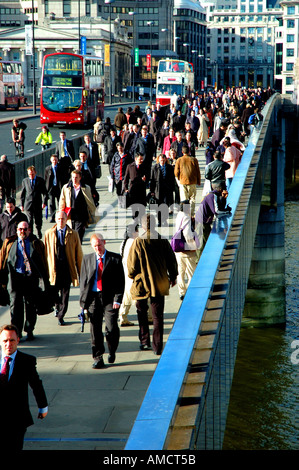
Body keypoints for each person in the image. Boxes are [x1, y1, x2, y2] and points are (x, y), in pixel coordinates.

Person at [127, 214, 178, 355]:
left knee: (141, 313)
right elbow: (171, 261)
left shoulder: (138, 242)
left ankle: (144, 342)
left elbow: (131, 266)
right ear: (155, 225)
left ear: (143, 226)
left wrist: (133, 276)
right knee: (157, 316)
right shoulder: (162, 240)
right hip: (159, 284)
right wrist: (173, 277)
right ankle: (157, 346)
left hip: (141, 284)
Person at [79, 233, 125, 368]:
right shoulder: (87, 259)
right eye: (95, 246)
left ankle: (112, 349)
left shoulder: (115, 258)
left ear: (104, 242)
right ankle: (98, 357)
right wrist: (83, 304)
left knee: (111, 328)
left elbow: (120, 281)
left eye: (99, 245)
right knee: (95, 329)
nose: (97, 248)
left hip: (110, 299)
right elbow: (83, 282)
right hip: (93, 298)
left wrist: (118, 299)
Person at [0, 323, 48, 451]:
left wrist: (42, 406)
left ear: (18, 340)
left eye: (12, 340)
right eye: (5, 341)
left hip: (17, 419)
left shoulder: (27, 361)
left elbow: (36, 385)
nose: (8, 344)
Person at [0, 221, 49, 341]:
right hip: (15, 278)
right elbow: (2, 261)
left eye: (25, 229)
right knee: (15, 305)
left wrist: (45, 279)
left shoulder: (36, 243)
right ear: (17, 230)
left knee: (30, 305)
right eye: (20, 229)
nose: (23, 231)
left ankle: (29, 329)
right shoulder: (10, 243)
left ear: (29, 230)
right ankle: (17, 332)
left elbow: (43, 261)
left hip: (30, 278)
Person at [44, 211, 83, 326]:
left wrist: (81, 271)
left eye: (63, 219)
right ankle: (57, 306)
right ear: (56, 220)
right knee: (54, 293)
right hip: (54, 268)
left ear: (66, 219)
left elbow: (79, 254)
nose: (61, 221)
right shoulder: (49, 233)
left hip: (66, 267)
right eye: (59, 219)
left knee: (65, 294)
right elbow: (45, 252)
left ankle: (61, 315)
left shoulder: (74, 234)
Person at [59, 169, 98, 243]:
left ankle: (78, 251)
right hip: (70, 216)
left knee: (78, 236)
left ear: (80, 178)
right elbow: (62, 201)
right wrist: (61, 212)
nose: (74, 179)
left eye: (76, 177)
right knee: (70, 236)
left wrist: (93, 214)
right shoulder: (66, 188)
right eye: (73, 177)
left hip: (81, 217)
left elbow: (90, 202)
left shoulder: (86, 188)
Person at [195, 182, 231, 259]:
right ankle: (198, 261)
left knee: (207, 240)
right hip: (201, 223)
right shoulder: (212, 196)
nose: (226, 190)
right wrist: (226, 212)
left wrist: (224, 198)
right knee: (201, 244)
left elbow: (220, 207)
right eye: (224, 189)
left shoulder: (216, 195)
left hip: (205, 222)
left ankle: (203, 258)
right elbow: (217, 211)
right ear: (220, 189)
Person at [174, 200, 198, 300]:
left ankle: (182, 292)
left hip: (178, 249)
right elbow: (187, 233)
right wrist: (192, 246)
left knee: (180, 272)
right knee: (191, 272)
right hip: (187, 251)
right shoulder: (186, 217)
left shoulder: (179, 215)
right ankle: (191, 291)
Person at [118, 223, 139, 327]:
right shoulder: (134, 242)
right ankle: (148, 317)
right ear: (134, 232)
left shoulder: (124, 242)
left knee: (127, 295)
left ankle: (123, 316)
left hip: (126, 272)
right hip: (134, 273)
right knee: (139, 296)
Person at [20, 166, 47, 239]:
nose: (31, 176)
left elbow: (44, 192)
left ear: (35, 173)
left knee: (38, 220)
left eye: (32, 174)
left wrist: (44, 202)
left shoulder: (40, 180)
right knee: (30, 220)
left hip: (37, 204)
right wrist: (22, 204)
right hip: (28, 204)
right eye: (29, 174)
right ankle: (31, 234)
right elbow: (23, 194)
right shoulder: (25, 181)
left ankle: (39, 230)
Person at [174, 146, 201, 217]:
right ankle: (191, 214)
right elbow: (198, 171)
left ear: (182, 152)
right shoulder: (194, 159)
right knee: (192, 198)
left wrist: (178, 178)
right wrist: (198, 180)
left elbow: (176, 172)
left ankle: (186, 214)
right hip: (192, 181)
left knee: (184, 199)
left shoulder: (179, 160)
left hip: (183, 181)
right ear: (189, 151)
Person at [150, 154, 175, 227]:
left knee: (165, 205)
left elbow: (172, 179)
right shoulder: (155, 167)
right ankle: (159, 220)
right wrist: (152, 191)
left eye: (164, 160)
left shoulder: (170, 167)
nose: (162, 161)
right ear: (159, 160)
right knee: (158, 206)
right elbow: (152, 180)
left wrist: (172, 189)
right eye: (161, 160)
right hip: (158, 189)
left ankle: (164, 219)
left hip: (167, 189)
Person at [123, 153, 147, 222]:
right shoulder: (130, 166)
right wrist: (126, 189)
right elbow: (126, 179)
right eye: (140, 159)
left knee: (142, 207)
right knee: (134, 207)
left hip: (141, 190)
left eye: (142, 159)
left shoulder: (144, 166)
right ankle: (135, 220)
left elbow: (148, 176)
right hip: (133, 190)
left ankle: (141, 220)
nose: (141, 160)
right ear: (136, 159)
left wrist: (145, 179)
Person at [44, 155, 64, 223]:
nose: (54, 161)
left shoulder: (60, 168)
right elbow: (46, 179)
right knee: (51, 203)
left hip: (58, 187)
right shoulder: (48, 168)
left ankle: (60, 216)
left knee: (60, 203)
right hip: (51, 188)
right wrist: (46, 188)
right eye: (53, 160)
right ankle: (53, 217)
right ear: (51, 161)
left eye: (55, 160)